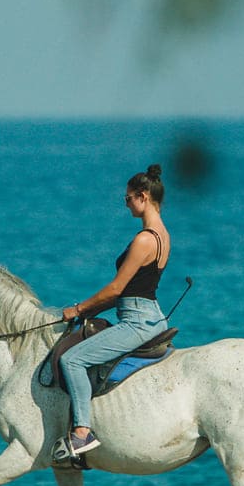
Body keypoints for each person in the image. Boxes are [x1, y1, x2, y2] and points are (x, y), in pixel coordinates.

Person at [59, 164, 171, 456]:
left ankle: (82, 432)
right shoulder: (164, 236)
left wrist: (78, 308)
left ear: (143, 197)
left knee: (71, 360)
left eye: (128, 198)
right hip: (151, 315)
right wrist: (89, 312)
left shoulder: (144, 239)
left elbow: (117, 288)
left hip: (137, 322)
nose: (126, 203)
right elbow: (136, 289)